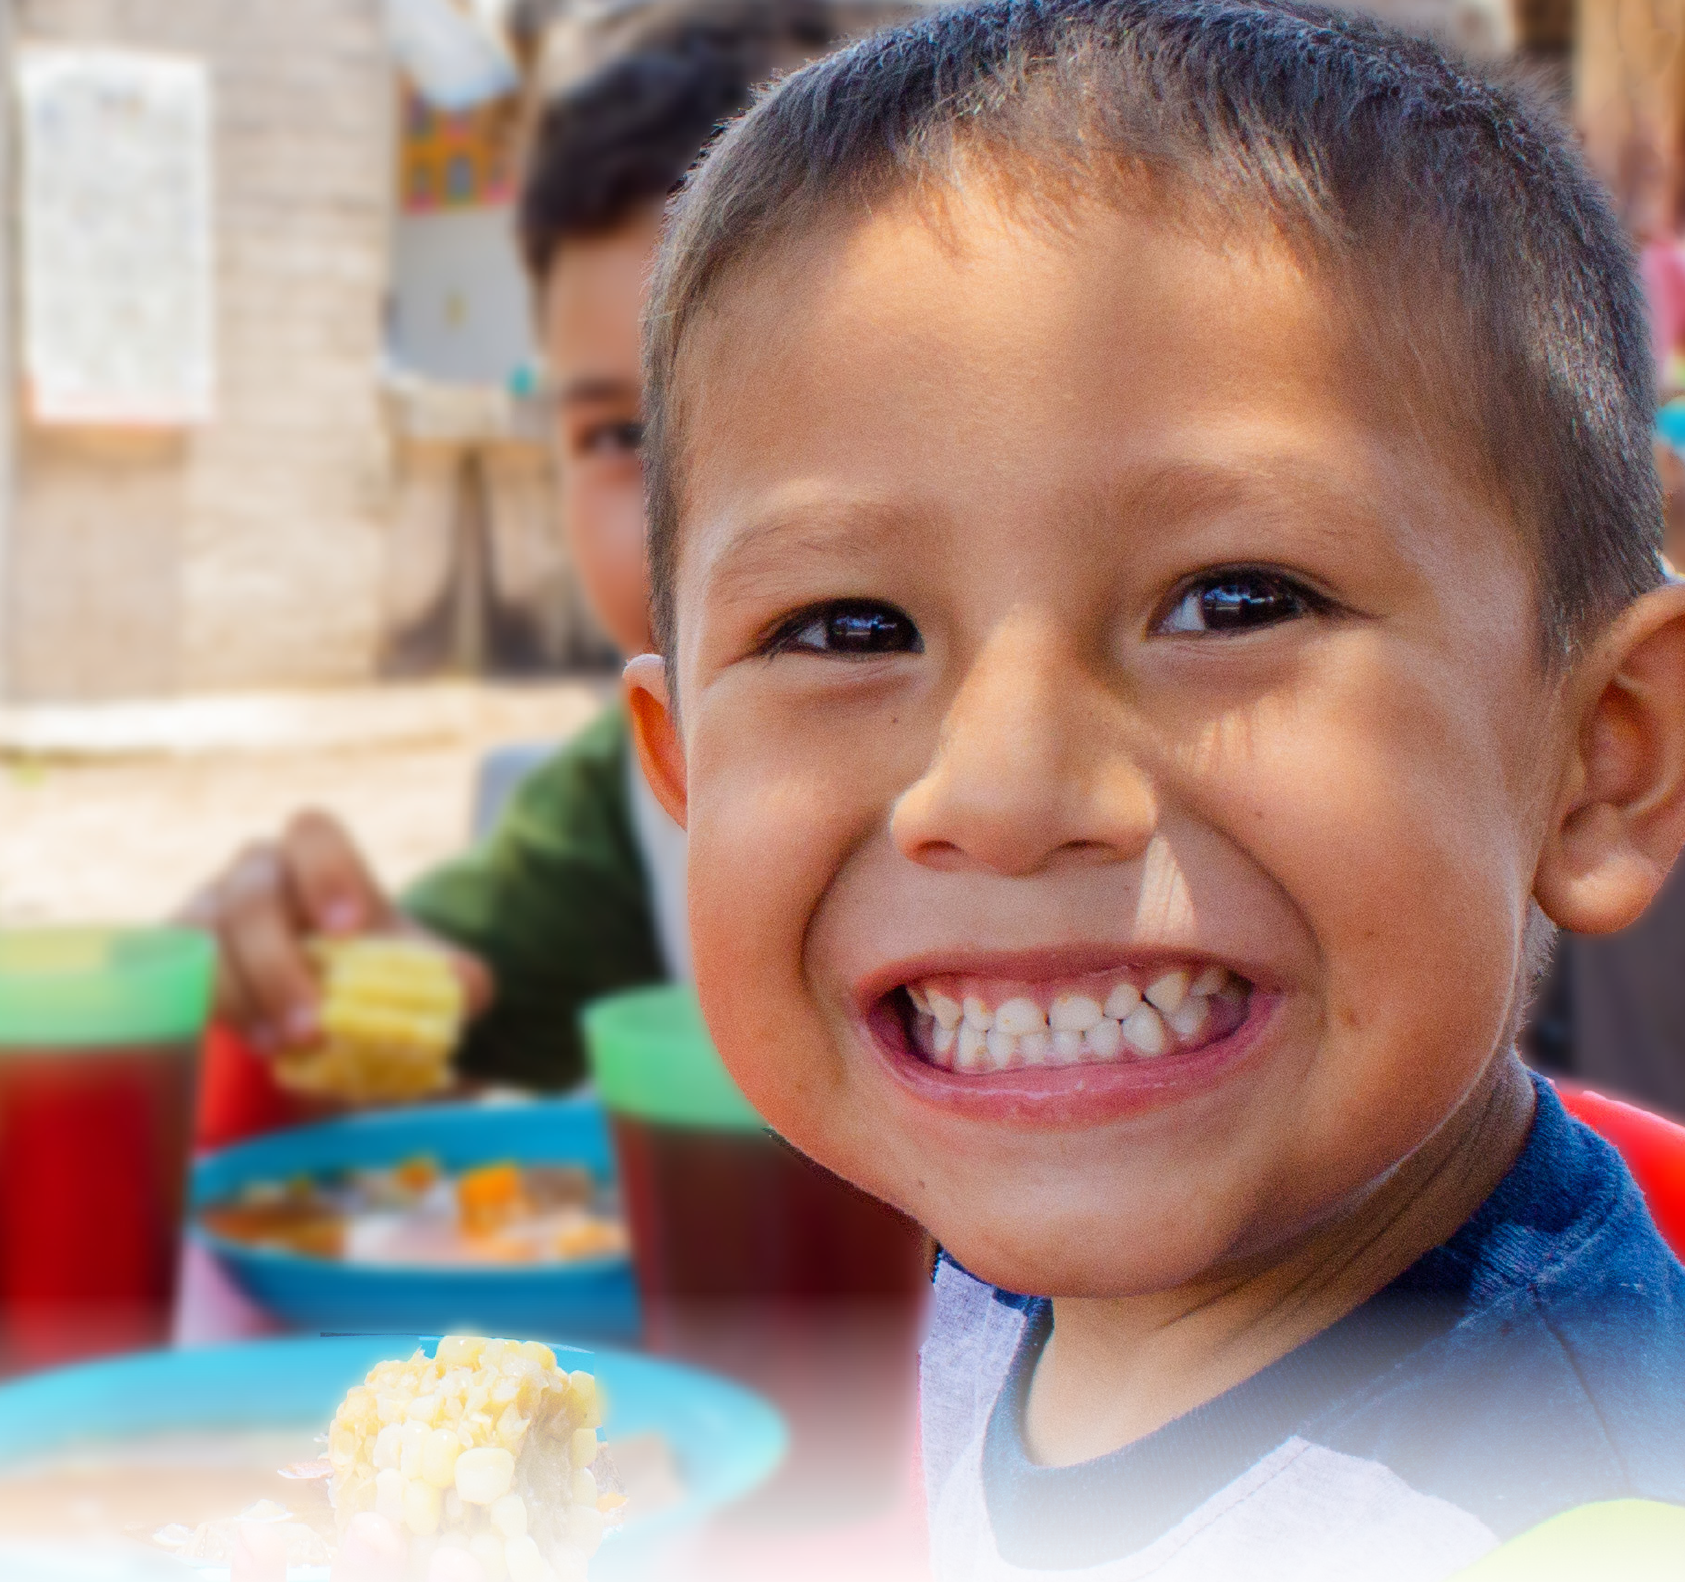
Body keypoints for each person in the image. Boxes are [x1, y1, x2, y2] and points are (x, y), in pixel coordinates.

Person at [618, 1, 1685, 1574]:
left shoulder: (1563, 1512)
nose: (1001, 785)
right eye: (848, 628)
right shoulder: (1004, 1259)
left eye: (1234, 599)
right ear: (683, 772)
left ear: (1602, 753)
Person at [181, 0, 908, 1110]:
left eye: (787, 426)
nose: (683, 529)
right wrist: (306, 982)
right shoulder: (618, 808)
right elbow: (439, 1005)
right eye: (618, 437)